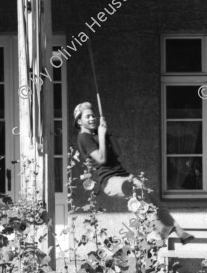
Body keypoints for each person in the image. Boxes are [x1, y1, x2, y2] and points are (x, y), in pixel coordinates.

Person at [74, 102, 194, 244]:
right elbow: (101, 159)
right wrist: (100, 135)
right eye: (88, 116)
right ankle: (158, 231)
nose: (92, 118)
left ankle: (180, 232)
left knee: (152, 198)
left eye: (93, 115)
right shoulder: (84, 137)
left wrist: (107, 133)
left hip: (124, 175)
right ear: (79, 121)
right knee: (139, 194)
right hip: (110, 181)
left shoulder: (97, 135)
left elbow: (118, 152)